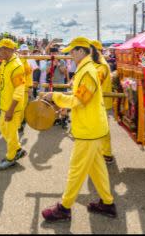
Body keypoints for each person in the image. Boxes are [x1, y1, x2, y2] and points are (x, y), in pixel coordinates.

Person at [41, 37, 116, 222]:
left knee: (76, 170)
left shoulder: (88, 72)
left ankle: (64, 208)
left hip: (89, 129)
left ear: (81, 51)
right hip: (90, 127)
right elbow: (78, 97)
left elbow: (78, 100)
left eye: (72, 51)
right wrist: (62, 102)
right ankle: (107, 203)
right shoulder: (86, 69)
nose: (70, 54)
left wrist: (55, 96)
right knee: (96, 168)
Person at [0, 38, 27, 170]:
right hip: (5, 104)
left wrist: (11, 110)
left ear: (7, 50)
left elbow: (19, 89)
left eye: (0, 49)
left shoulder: (16, 66)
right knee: (2, 126)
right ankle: (17, 149)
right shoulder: (6, 62)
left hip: (13, 106)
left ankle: (10, 157)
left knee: (11, 134)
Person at [91, 40, 114, 164]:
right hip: (95, 102)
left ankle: (107, 154)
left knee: (103, 129)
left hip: (102, 103)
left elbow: (94, 83)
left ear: (96, 51)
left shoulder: (102, 66)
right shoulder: (95, 64)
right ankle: (100, 151)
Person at [18, 44, 33, 134]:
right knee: (20, 106)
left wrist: (30, 87)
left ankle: (21, 120)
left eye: (26, 51)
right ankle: (18, 125)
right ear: (20, 52)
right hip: (21, 87)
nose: (25, 53)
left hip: (26, 87)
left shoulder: (28, 60)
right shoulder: (20, 61)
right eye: (23, 51)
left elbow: (29, 76)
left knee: (23, 106)